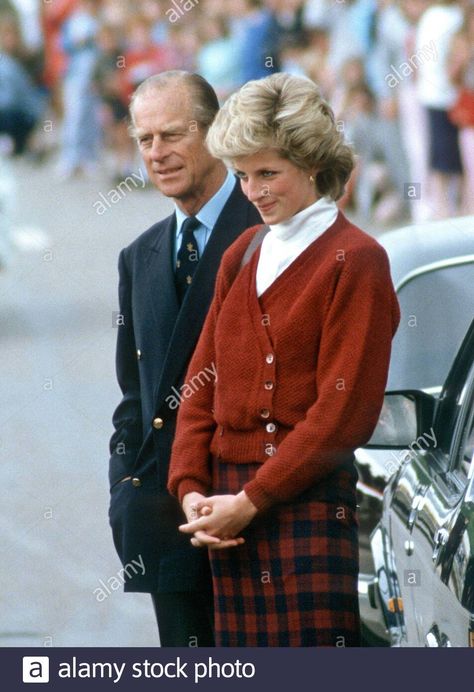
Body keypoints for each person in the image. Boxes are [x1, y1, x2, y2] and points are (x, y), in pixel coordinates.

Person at [168, 73, 400, 647]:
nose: (253, 191)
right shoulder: (241, 254)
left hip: (307, 503)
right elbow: (201, 385)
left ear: (314, 166)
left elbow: (341, 415)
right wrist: (191, 488)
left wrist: (252, 501)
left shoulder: (358, 261)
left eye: (268, 173)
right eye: (243, 175)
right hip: (226, 510)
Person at [108, 70, 261, 647]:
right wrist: (125, 483)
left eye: (172, 134)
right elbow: (135, 392)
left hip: (249, 515)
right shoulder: (138, 254)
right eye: (144, 140)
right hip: (166, 520)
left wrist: (252, 497)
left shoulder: (268, 229)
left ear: (216, 131)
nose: (157, 154)